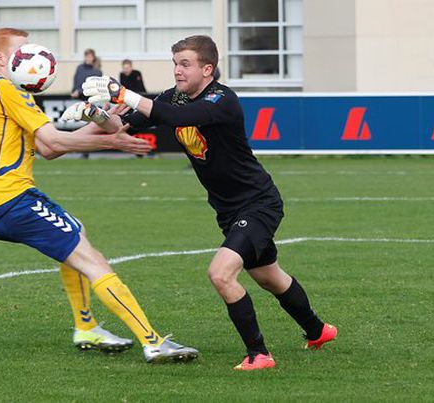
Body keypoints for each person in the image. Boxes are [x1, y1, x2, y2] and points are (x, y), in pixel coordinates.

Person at [74, 35, 337, 370]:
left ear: (208, 69)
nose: (178, 71)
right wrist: (94, 113)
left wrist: (124, 94)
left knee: (221, 274)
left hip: (258, 203)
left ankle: (259, 355)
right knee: (269, 276)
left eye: (185, 64)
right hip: (228, 210)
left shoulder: (222, 99)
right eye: (175, 64)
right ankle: (318, 331)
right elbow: (122, 125)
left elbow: (178, 117)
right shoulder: (174, 97)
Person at [0, 28, 199, 363]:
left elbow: (48, 148)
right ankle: (152, 341)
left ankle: (86, 326)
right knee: (93, 261)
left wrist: (102, 124)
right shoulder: (8, 89)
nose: (34, 56)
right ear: (2, 59)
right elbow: (56, 142)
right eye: (24, 50)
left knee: (76, 231)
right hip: (10, 200)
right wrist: (111, 141)